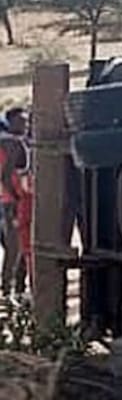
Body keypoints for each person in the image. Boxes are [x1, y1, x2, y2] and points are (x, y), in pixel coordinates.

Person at [0, 107, 30, 298]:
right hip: (13, 203)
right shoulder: (12, 144)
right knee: (15, 249)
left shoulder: (13, 142)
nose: (25, 125)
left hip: (10, 201)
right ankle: (8, 290)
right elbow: (5, 176)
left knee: (19, 248)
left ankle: (17, 287)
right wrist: (17, 197)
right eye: (21, 121)